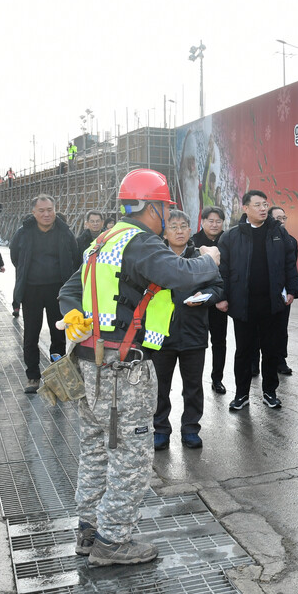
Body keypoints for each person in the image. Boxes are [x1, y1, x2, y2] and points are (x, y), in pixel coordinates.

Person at [58, 169, 221, 566]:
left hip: (90, 363)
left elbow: (69, 290)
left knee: (96, 449)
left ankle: (89, 529)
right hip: (123, 370)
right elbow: (177, 272)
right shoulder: (140, 241)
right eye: (165, 208)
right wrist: (209, 260)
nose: (167, 215)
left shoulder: (104, 240)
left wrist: (75, 314)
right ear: (152, 207)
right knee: (130, 454)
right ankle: (113, 541)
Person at [216, 190, 298, 411]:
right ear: (245, 208)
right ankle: (241, 394)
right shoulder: (231, 236)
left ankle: (270, 392)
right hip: (243, 304)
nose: (263, 209)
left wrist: (292, 290)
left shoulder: (279, 233)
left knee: (271, 350)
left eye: (265, 204)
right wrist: (222, 297)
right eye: (257, 205)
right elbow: (222, 271)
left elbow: (289, 263)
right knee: (243, 351)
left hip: (272, 304)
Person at [148, 209, 224, 451]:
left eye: (183, 226)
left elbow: (218, 287)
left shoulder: (201, 257)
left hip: (194, 332)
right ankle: (160, 429)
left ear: (190, 230)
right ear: (165, 232)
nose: (179, 231)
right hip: (159, 334)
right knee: (159, 387)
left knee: (193, 387)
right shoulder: (155, 258)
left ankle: (191, 429)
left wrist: (205, 296)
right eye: (173, 227)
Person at [10, 195, 81, 393]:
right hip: (31, 290)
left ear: (55, 210)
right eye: (41, 210)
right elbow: (16, 258)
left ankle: (56, 376)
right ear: (34, 212)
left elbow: (74, 257)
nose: (46, 214)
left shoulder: (65, 232)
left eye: (50, 210)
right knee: (31, 335)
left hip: (57, 290)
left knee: (58, 335)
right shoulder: (23, 233)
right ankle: (33, 376)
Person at [192, 206, 229, 393]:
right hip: (196, 302)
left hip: (219, 303)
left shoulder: (228, 241)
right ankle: (194, 382)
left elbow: (232, 273)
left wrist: (224, 298)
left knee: (219, 342)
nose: (215, 225)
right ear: (203, 221)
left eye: (218, 221)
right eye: (211, 221)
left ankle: (217, 379)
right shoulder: (192, 242)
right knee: (195, 345)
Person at [269, 206, 297, 376]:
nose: (281, 221)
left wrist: (292, 290)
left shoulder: (291, 241)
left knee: (281, 328)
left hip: (283, 294)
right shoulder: (264, 238)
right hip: (265, 293)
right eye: (278, 218)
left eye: (283, 218)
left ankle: (281, 360)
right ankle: (255, 362)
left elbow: (291, 267)